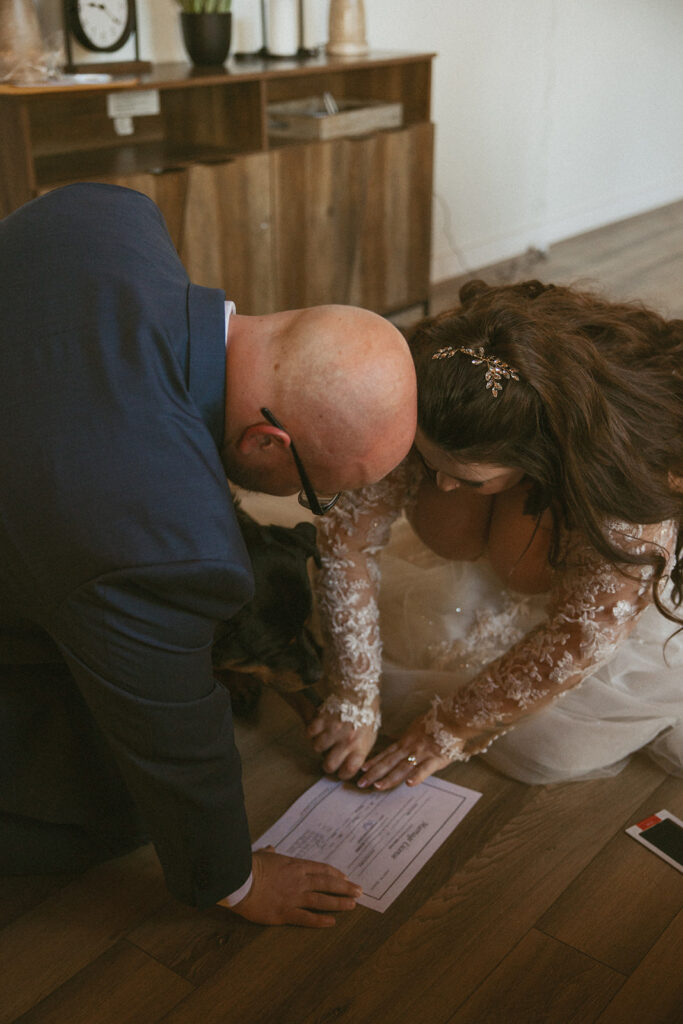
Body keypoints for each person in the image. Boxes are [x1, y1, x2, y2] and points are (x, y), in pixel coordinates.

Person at [0, 182, 417, 927]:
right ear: (267, 444)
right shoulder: (161, 542)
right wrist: (236, 878)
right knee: (118, 806)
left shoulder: (109, 212)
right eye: (313, 495)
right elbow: (174, 744)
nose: (305, 509)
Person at [307, 279, 683, 789]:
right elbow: (347, 539)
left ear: (538, 459)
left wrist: (447, 729)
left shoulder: (623, 494)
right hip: (501, 531)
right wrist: (354, 694)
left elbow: (579, 635)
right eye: (431, 463)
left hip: (601, 567)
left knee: (554, 748)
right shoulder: (442, 387)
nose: (441, 484)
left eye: (467, 478)